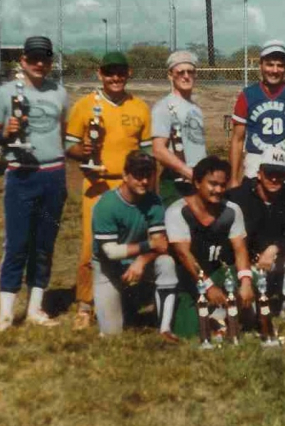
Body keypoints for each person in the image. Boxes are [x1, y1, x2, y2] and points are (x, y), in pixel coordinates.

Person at [0, 36, 69, 332]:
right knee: (17, 243)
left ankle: (35, 308)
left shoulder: (60, 92)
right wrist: (6, 133)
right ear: (23, 61)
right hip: (21, 175)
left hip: (53, 175)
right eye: (33, 58)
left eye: (44, 58)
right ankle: (6, 314)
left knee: (44, 244)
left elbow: (64, 133)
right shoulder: (6, 93)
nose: (39, 64)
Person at [65, 51, 153, 330]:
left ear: (129, 74)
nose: (115, 78)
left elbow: (148, 152)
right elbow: (71, 146)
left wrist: (149, 186)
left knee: (129, 243)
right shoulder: (84, 105)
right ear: (99, 74)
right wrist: (85, 152)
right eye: (109, 72)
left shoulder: (140, 107)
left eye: (120, 72)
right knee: (92, 245)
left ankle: (124, 301)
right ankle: (85, 304)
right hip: (98, 183)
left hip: (131, 186)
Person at [91, 151, 178, 340]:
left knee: (166, 262)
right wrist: (148, 245)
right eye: (138, 175)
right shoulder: (107, 204)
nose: (144, 181)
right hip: (108, 267)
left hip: (135, 262)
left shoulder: (154, 201)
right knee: (111, 335)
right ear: (125, 175)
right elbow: (111, 252)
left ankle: (164, 328)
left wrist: (141, 259)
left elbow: (161, 246)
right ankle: (125, 301)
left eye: (148, 175)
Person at [165, 156, 254, 337]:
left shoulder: (231, 210)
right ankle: (217, 318)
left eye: (222, 185)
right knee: (190, 333)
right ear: (197, 182)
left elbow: (240, 249)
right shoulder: (178, 211)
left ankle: (229, 317)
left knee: (248, 280)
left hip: (218, 272)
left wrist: (246, 281)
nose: (218, 190)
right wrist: (208, 287)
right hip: (189, 279)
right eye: (212, 184)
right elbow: (183, 255)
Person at [226, 147, 285, 318]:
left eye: (279, 173)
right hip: (248, 262)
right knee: (252, 316)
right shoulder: (239, 196)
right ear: (259, 173)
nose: (274, 178)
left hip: (275, 258)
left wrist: (275, 248)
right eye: (270, 172)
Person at [228, 39, 285, 188]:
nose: (274, 70)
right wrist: (233, 178)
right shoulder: (247, 95)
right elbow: (237, 140)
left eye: (280, 65)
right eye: (270, 64)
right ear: (261, 65)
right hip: (256, 158)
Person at [151, 51, 207, 206]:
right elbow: (158, 150)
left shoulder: (195, 107)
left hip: (198, 179)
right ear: (170, 75)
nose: (186, 76)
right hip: (176, 182)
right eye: (180, 72)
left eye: (190, 72)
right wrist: (187, 171)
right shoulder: (164, 107)